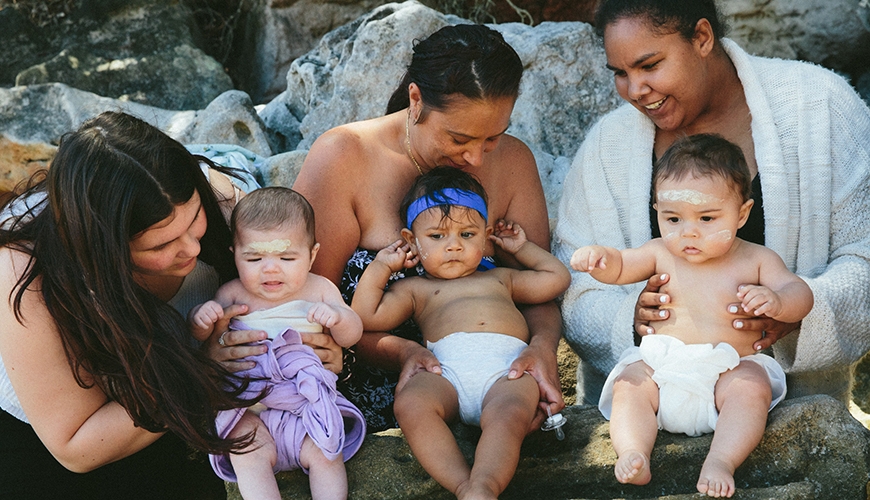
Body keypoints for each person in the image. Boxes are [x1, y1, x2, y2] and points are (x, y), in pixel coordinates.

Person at [0, 112, 336, 499]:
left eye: (194, 220)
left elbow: (293, 289)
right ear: (106, 251)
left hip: (185, 401)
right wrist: (202, 373)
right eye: (161, 246)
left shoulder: (210, 194)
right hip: (63, 437)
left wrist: (322, 350)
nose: (192, 248)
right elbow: (77, 446)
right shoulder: (25, 270)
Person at [553, 0, 870, 406]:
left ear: (702, 37)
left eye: (649, 65)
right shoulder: (607, 147)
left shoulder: (819, 107)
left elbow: (863, 255)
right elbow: (574, 283)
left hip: (795, 418)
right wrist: (628, 321)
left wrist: (798, 310)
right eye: (620, 72)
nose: (634, 90)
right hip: (649, 416)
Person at [293, 23, 564, 432]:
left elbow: (536, 287)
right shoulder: (344, 158)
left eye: (493, 138)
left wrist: (542, 350)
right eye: (459, 138)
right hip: (369, 378)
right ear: (416, 99)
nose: (476, 158)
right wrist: (404, 353)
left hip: (496, 380)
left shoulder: (513, 162)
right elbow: (308, 303)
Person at [571, 134, 813, 497]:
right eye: (673, 218)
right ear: (657, 211)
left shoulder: (757, 259)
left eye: (706, 217)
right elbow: (621, 267)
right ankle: (634, 450)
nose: (689, 232)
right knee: (630, 384)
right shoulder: (658, 252)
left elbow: (800, 294)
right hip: (661, 365)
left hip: (729, 370)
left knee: (752, 389)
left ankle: (721, 460)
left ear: (742, 213)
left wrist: (777, 301)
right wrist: (600, 259)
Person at [351, 167, 570, 499]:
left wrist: (521, 248)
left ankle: (484, 485)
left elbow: (556, 279)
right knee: (410, 404)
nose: (453, 246)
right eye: (437, 237)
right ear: (412, 241)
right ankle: (461, 485)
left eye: (467, 235)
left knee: (509, 415)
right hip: (444, 372)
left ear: (484, 236)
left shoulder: (502, 279)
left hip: (507, 371)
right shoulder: (416, 289)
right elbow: (364, 316)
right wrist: (381, 267)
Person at [188, 187, 366, 500]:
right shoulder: (231, 293)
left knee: (326, 451)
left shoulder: (320, 289)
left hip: (307, 406)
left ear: (311, 255)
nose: (270, 268)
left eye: (286, 257)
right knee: (244, 450)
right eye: (254, 257)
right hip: (251, 410)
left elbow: (351, 337)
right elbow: (206, 342)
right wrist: (201, 318)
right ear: (235, 255)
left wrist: (339, 317)